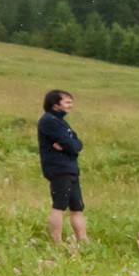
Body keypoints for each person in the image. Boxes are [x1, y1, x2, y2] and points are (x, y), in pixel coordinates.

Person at [37, 89, 87, 246]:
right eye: (67, 102)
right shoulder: (48, 120)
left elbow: (77, 144)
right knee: (59, 206)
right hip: (58, 168)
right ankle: (56, 241)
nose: (70, 105)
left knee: (77, 207)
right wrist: (70, 145)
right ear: (55, 104)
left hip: (71, 168)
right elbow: (69, 143)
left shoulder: (62, 122)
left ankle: (83, 240)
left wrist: (70, 145)